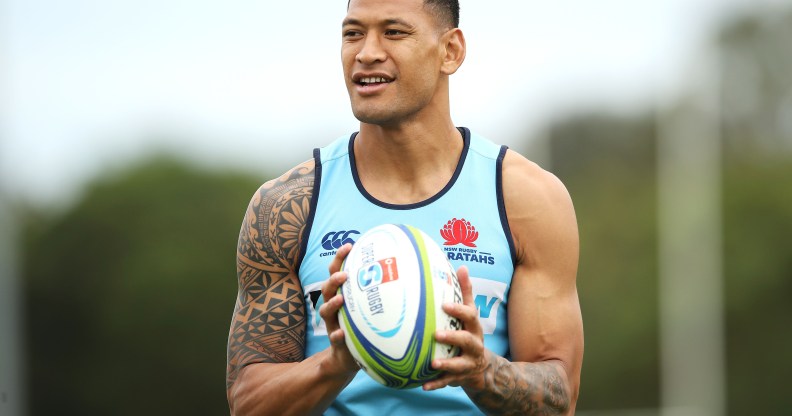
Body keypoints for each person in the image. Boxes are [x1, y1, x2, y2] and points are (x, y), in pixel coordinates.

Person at [226, 0, 583, 414]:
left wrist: (480, 372)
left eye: (394, 32)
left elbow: (561, 397)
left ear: (450, 51)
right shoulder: (287, 206)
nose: (366, 52)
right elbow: (247, 404)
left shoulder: (526, 197)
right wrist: (338, 361)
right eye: (353, 33)